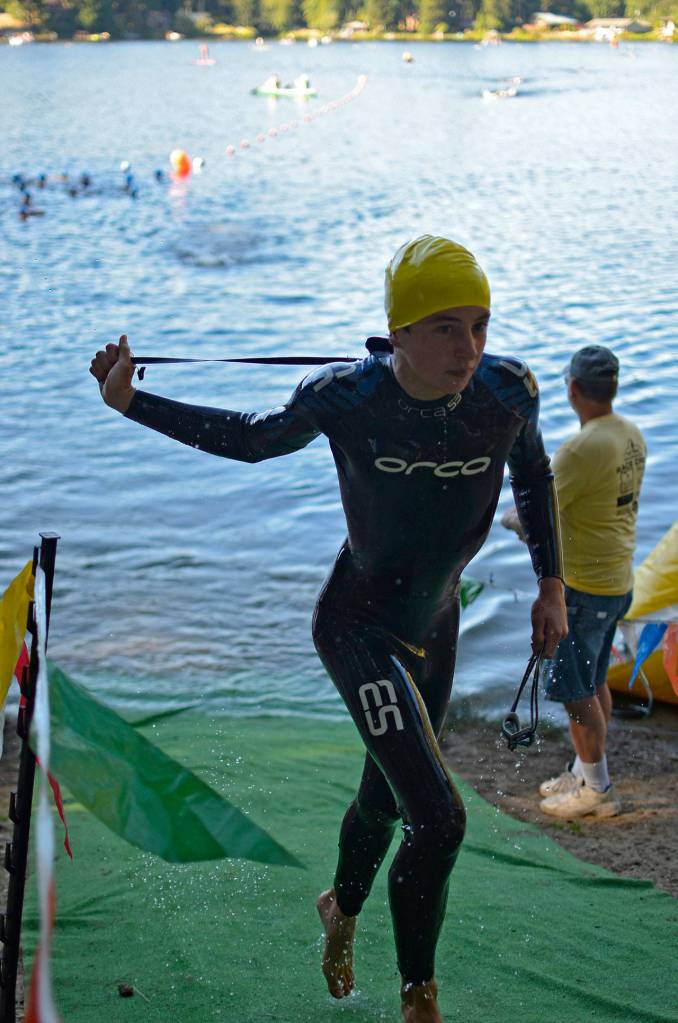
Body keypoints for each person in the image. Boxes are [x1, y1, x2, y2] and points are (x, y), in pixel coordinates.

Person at [89, 236, 567, 1023]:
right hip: (358, 624)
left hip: (437, 622)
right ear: (401, 332)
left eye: (479, 323)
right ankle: (421, 996)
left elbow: (535, 473)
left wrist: (551, 582)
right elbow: (249, 437)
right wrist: (132, 400)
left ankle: (339, 907)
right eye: (446, 327)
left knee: (387, 792)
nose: (470, 346)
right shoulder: (346, 396)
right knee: (440, 817)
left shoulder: (508, 393)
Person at [503, 346, 646, 820]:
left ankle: (598, 791)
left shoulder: (582, 448)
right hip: (617, 581)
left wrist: (507, 520)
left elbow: (536, 511)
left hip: (584, 588)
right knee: (594, 678)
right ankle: (587, 771)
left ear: (573, 389)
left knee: (574, 691)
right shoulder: (629, 433)